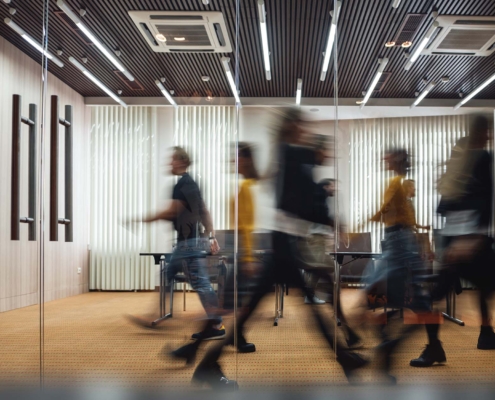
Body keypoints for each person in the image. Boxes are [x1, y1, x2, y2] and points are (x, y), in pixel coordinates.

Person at [180, 109, 367, 390]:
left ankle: (207, 362)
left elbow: (294, 199)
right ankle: (343, 358)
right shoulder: (289, 153)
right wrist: (330, 220)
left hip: (284, 244)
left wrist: (325, 217)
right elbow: (295, 202)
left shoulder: (287, 154)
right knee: (281, 309)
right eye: (301, 124)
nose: (305, 130)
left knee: (254, 310)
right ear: (292, 126)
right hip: (281, 246)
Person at [410, 115, 495, 367]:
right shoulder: (475, 160)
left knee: (476, 288)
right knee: (435, 294)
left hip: (469, 240)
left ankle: (482, 335)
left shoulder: (479, 159)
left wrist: (471, 236)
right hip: (461, 240)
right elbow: (446, 208)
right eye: (485, 132)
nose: (488, 136)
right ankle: (438, 346)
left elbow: (482, 203)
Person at [127, 146, 225, 340]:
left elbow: (172, 212)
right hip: (189, 242)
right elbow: (204, 211)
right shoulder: (192, 183)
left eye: (172, 159)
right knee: (169, 273)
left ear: (181, 161)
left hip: (188, 243)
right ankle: (156, 315)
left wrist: (142, 219)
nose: (169, 163)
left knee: (201, 283)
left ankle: (216, 325)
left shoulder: (182, 184)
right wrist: (211, 236)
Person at [366, 148, 437, 383]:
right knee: (407, 298)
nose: (383, 159)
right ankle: (428, 346)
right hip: (399, 241)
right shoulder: (397, 184)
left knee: (379, 295)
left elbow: (385, 210)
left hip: (398, 243)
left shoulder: (396, 182)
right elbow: (403, 216)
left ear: (397, 160)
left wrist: (366, 220)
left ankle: (389, 345)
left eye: (387, 156)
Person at [305, 179, 336, 305]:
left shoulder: (320, 200)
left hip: (319, 237)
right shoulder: (318, 200)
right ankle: (310, 295)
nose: (334, 189)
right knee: (319, 266)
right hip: (316, 237)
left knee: (322, 266)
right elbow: (321, 219)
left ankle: (317, 294)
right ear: (325, 187)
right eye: (331, 186)